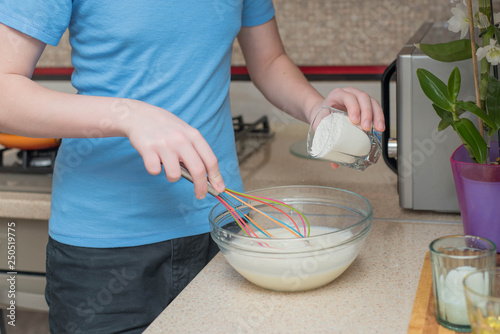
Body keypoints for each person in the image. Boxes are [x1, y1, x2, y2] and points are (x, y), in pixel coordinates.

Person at [0, 1, 384, 333]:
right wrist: (128, 114)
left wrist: (316, 109)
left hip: (223, 231)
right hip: (106, 249)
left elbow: (268, 61)